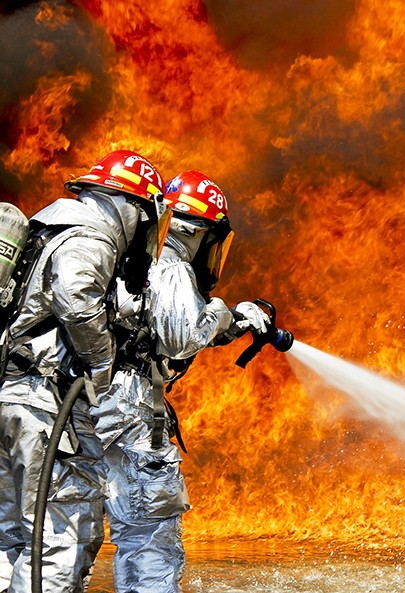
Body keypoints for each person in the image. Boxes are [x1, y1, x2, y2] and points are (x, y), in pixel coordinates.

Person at [0, 149, 170, 592]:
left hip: (11, 394)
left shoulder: (47, 228)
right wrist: (101, 366)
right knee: (63, 535)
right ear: (130, 208)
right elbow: (76, 298)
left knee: (13, 537)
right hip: (44, 406)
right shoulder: (90, 237)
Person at [92, 170, 269, 593]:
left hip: (92, 409)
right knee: (149, 537)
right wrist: (228, 311)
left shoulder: (130, 259)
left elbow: (156, 325)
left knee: (71, 533)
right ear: (201, 232)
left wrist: (233, 323)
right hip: (132, 416)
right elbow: (182, 336)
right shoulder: (171, 265)